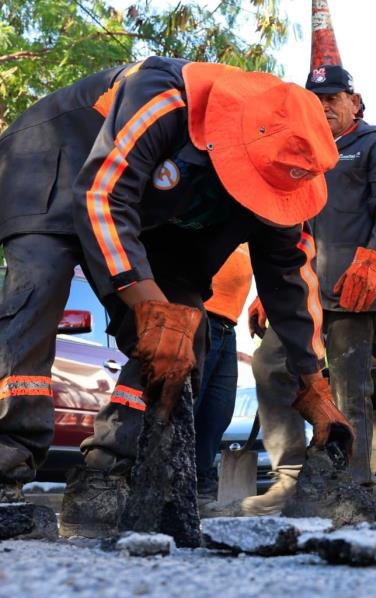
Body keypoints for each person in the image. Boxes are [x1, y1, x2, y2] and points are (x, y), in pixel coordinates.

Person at [0, 57, 354, 531]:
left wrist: (313, 381)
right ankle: (5, 466)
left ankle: (110, 473)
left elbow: (291, 279)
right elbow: (103, 195)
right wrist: (144, 303)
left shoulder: (287, 167)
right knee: (38, 288)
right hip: (56, 163)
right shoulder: (165, 96)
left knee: (186, 329)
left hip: (153, 214)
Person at [205, 64, 376, 516]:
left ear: (354, 101)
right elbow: (286, 223)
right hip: (302, 292)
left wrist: (373, 261)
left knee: (349, 390)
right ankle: (290, 478)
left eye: (333, 98)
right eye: (315, 100)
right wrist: (270, 290)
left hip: (352, 291)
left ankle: (349, 486)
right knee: (270, 366)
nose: (323, 107)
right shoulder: (303, 148)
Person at [194, 243, 253, 502]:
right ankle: (172, 479)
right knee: (187, 407)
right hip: (197, 315)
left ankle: (200, 477)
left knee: (219, 411)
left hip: (228, 325)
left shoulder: (255, 219)